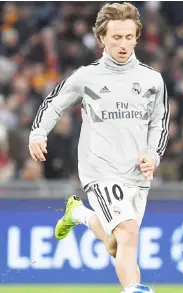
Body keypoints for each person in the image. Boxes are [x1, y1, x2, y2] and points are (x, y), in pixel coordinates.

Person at [28, 2, 169, 291]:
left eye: (129, 37)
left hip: (137, 175)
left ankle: (78, 214)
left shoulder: (152, 79)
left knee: (117, 243)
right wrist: (38, 133)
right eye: (116, 37)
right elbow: (54, 103)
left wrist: (153, 156)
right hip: (100, 170)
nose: (123, 44)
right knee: (128, 234)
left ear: (137, 37)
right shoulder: (87, 77)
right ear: (102, 37)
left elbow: (160, 124)